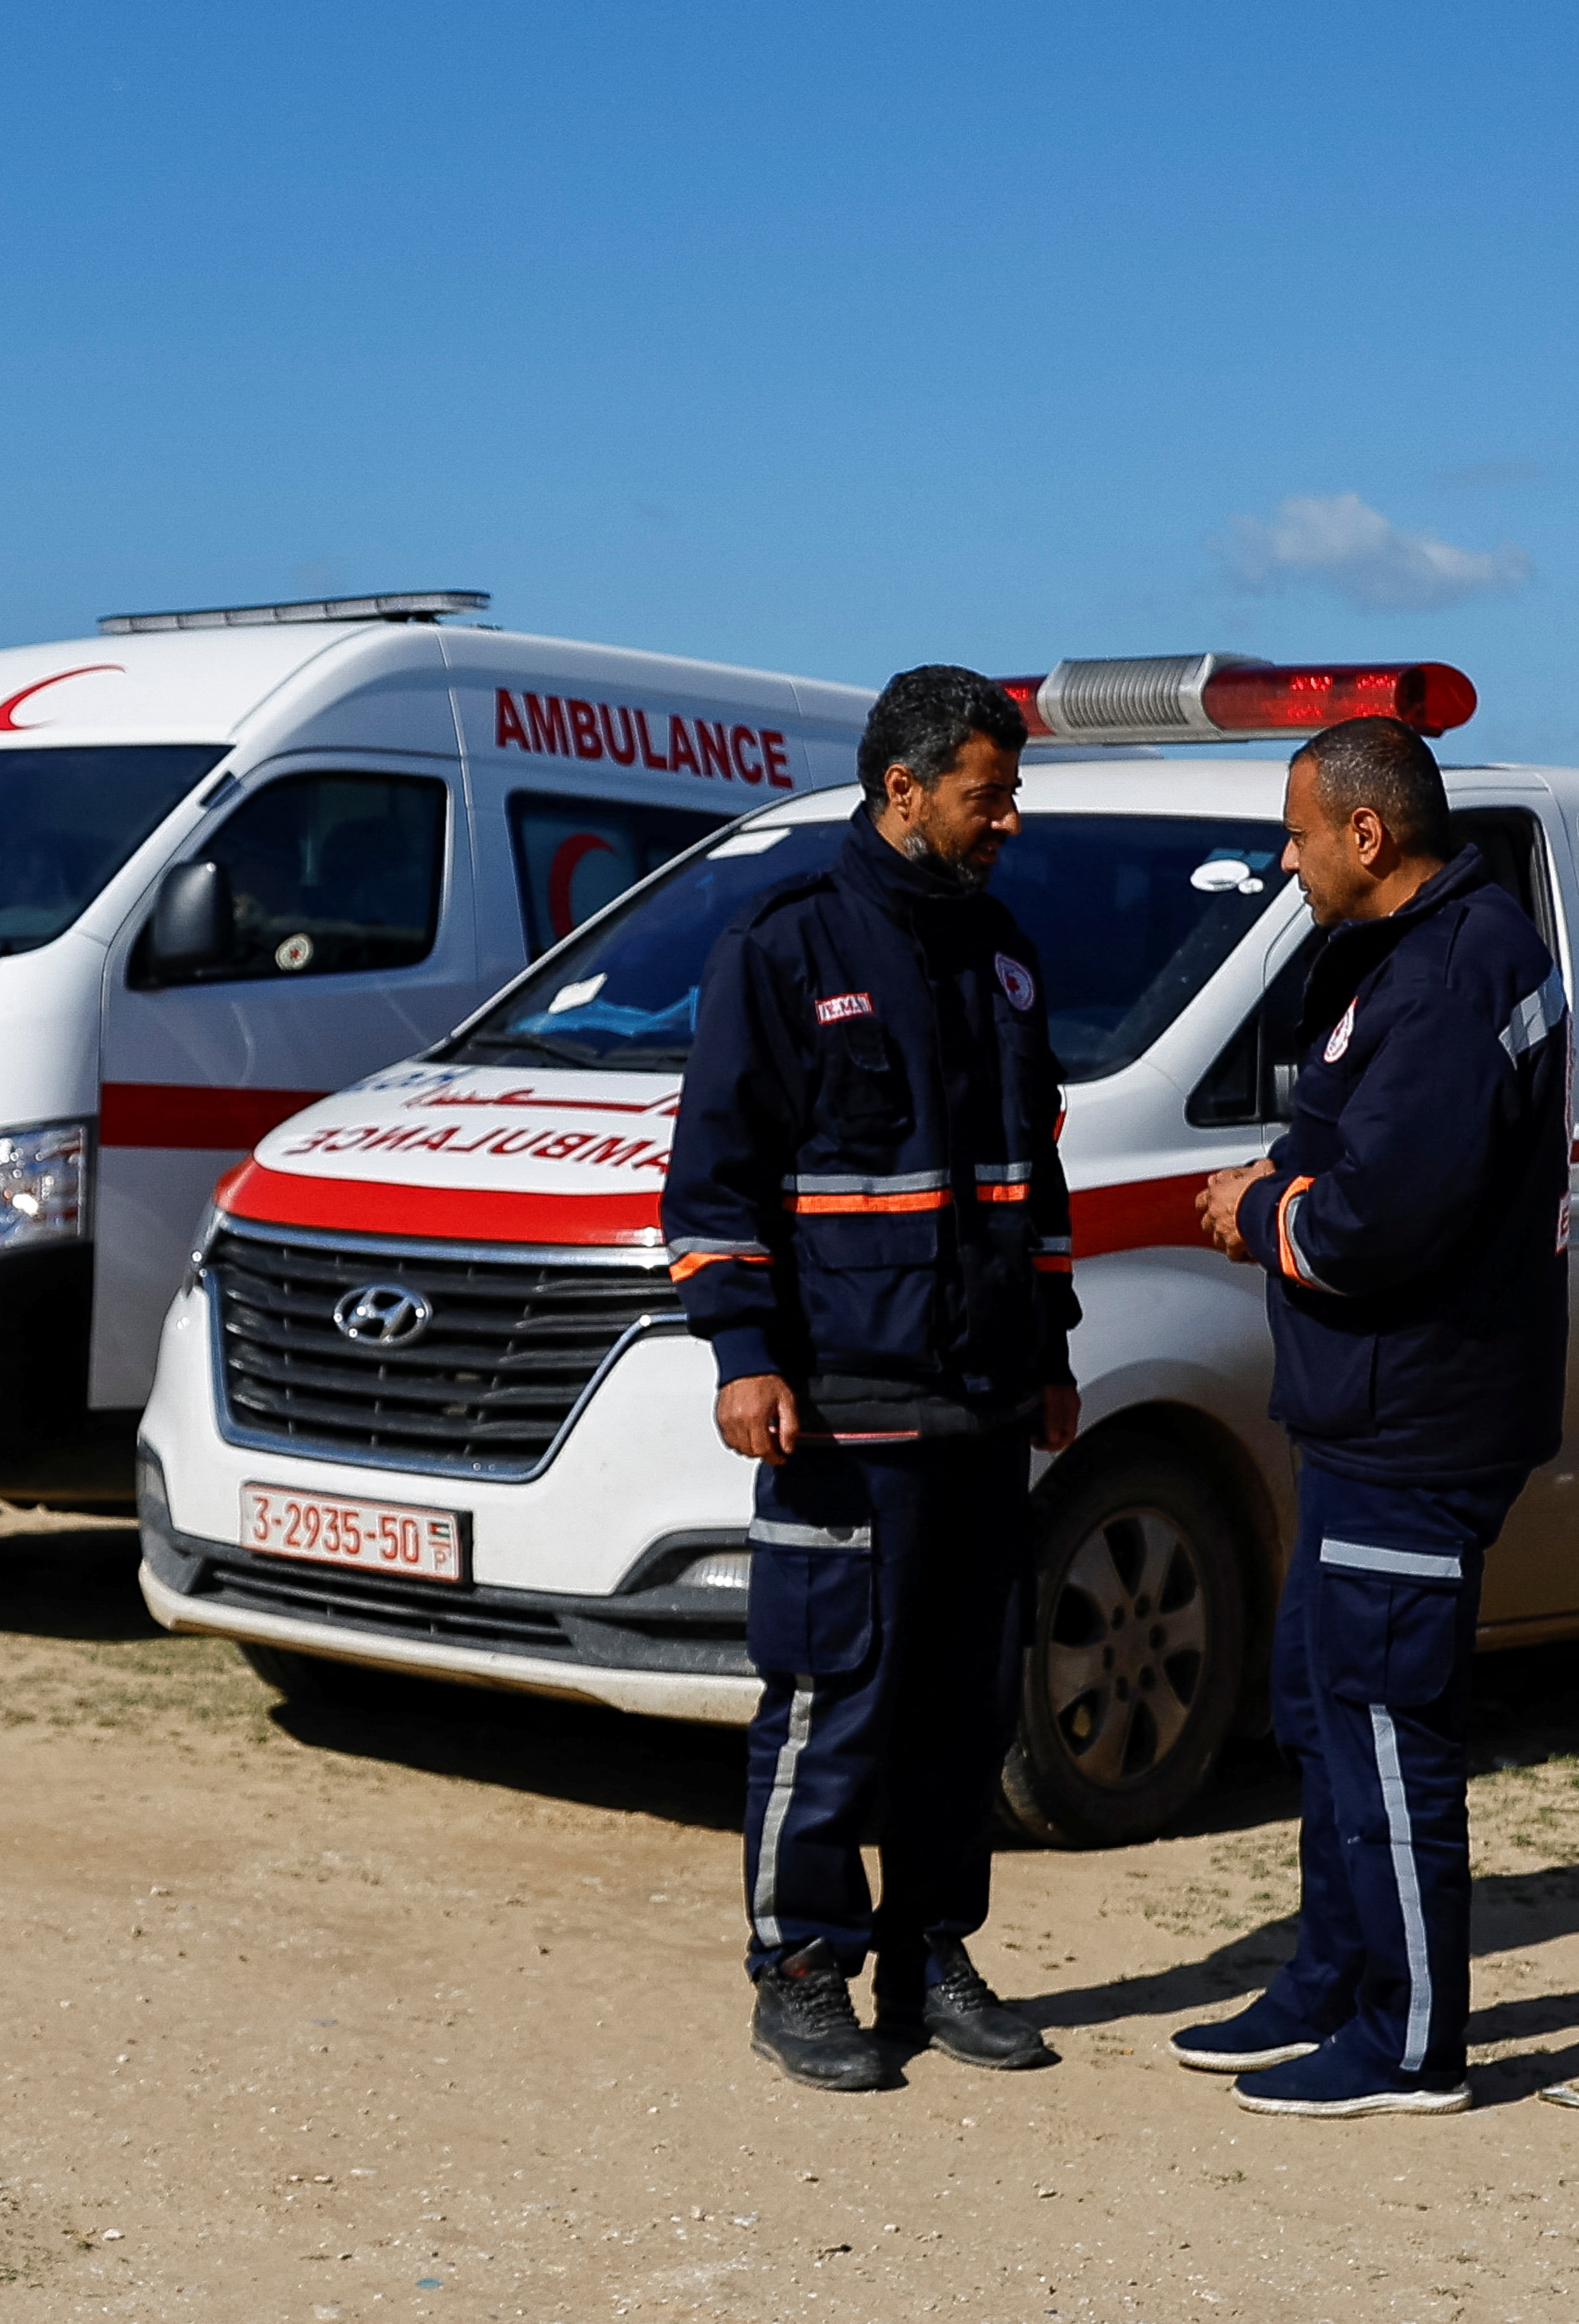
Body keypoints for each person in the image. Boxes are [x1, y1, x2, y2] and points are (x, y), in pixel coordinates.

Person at [664, 664, 1081, 2093]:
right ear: (901, 790)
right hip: (839, 1402)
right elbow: (711, 1179)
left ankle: (928, 1951)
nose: (1006, 822)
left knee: (963, 1702)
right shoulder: (782, 947)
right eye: (988, 796)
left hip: (980, 1401)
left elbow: (1036, 1181)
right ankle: (798, 1967)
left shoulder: (1005, 956)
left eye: (1009, 795)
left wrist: (1054, 1351)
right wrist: (739, 1355)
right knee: (833, 1688)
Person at [1181, 714, 1569, 2117]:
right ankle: (1329, 1979)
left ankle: (1409, 2042)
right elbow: (1351, 1141)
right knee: (1319, 1700)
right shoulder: (1410, 961)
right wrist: (1274, 1177)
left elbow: (1376, 1217)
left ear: (1365, 832)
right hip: (1361, 1416)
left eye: (1295, 835)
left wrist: (1261, 1213)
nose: (1283, 863)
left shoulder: (1455, 971)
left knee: (1388, 1721)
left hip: (1418, 1419)